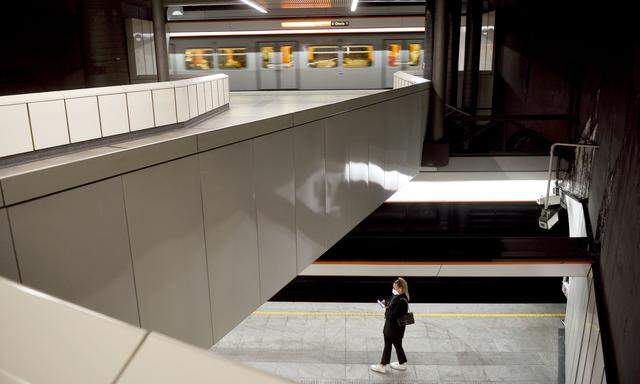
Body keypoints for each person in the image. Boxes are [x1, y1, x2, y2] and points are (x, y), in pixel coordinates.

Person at [370, 277, 410, 374]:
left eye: (395, 288)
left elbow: (394, 315)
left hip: (393, 329)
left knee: (388, 346)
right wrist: (386, 303)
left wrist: (387, 309)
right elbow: (392, 303)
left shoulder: (402, 301)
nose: (393, 290)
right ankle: (402, 363)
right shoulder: (398, 296)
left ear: (401, 288)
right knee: (398, 345)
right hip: (395, 329)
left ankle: (382, 366)